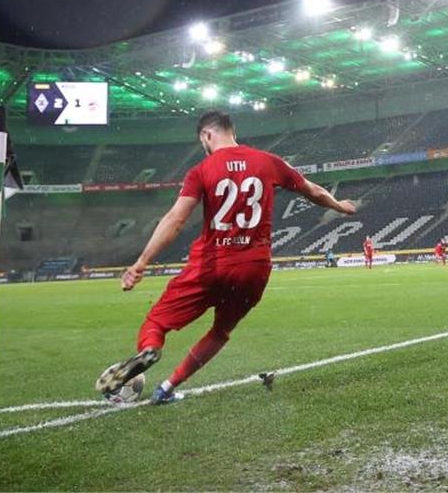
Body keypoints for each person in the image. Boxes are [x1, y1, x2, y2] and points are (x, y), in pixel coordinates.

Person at [96, 110, 357, 405]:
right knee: (220, 332)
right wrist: (339, 206)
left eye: (202, 141)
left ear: (207, 135)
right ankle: (167, 388)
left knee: (156, 322)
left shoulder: (201, 170)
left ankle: (151, 348)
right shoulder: (269, 162)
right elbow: (311, 190)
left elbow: (176, 220)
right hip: (254, 268)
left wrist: (141, 262)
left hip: (211, 264)